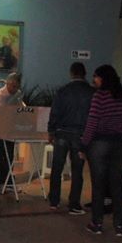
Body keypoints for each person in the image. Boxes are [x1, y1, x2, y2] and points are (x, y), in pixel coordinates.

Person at [79, 65, 122, 237]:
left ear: (103, 78)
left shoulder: (99, 97)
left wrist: (83, 145)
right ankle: (119, 225)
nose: (94, 79)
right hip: (121, 144)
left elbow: (92, 124)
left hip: (100, 144)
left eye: (96, 76)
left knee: (99, 186)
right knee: (116, 185)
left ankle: (97, 223)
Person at [46, 62, 94, 214]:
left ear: (71, 73)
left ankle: (54, 200)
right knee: (77, 170)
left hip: (62, 132)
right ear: (84, 74)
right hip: (80, 135)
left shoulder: (63, 91)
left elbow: (54, 112)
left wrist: (51, 131)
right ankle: (74, 203)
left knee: (57, 167)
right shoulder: (91, 92)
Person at [0, 72, 25, 191]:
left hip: (10, 130)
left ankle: (9, 183)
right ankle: (0, 183)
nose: (15, 89)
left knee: (9, 157)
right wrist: (14, 99)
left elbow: (21, 107)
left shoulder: (18, 93)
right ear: (8, 83)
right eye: (13, 86)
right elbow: (1, 113)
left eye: (17, 86)